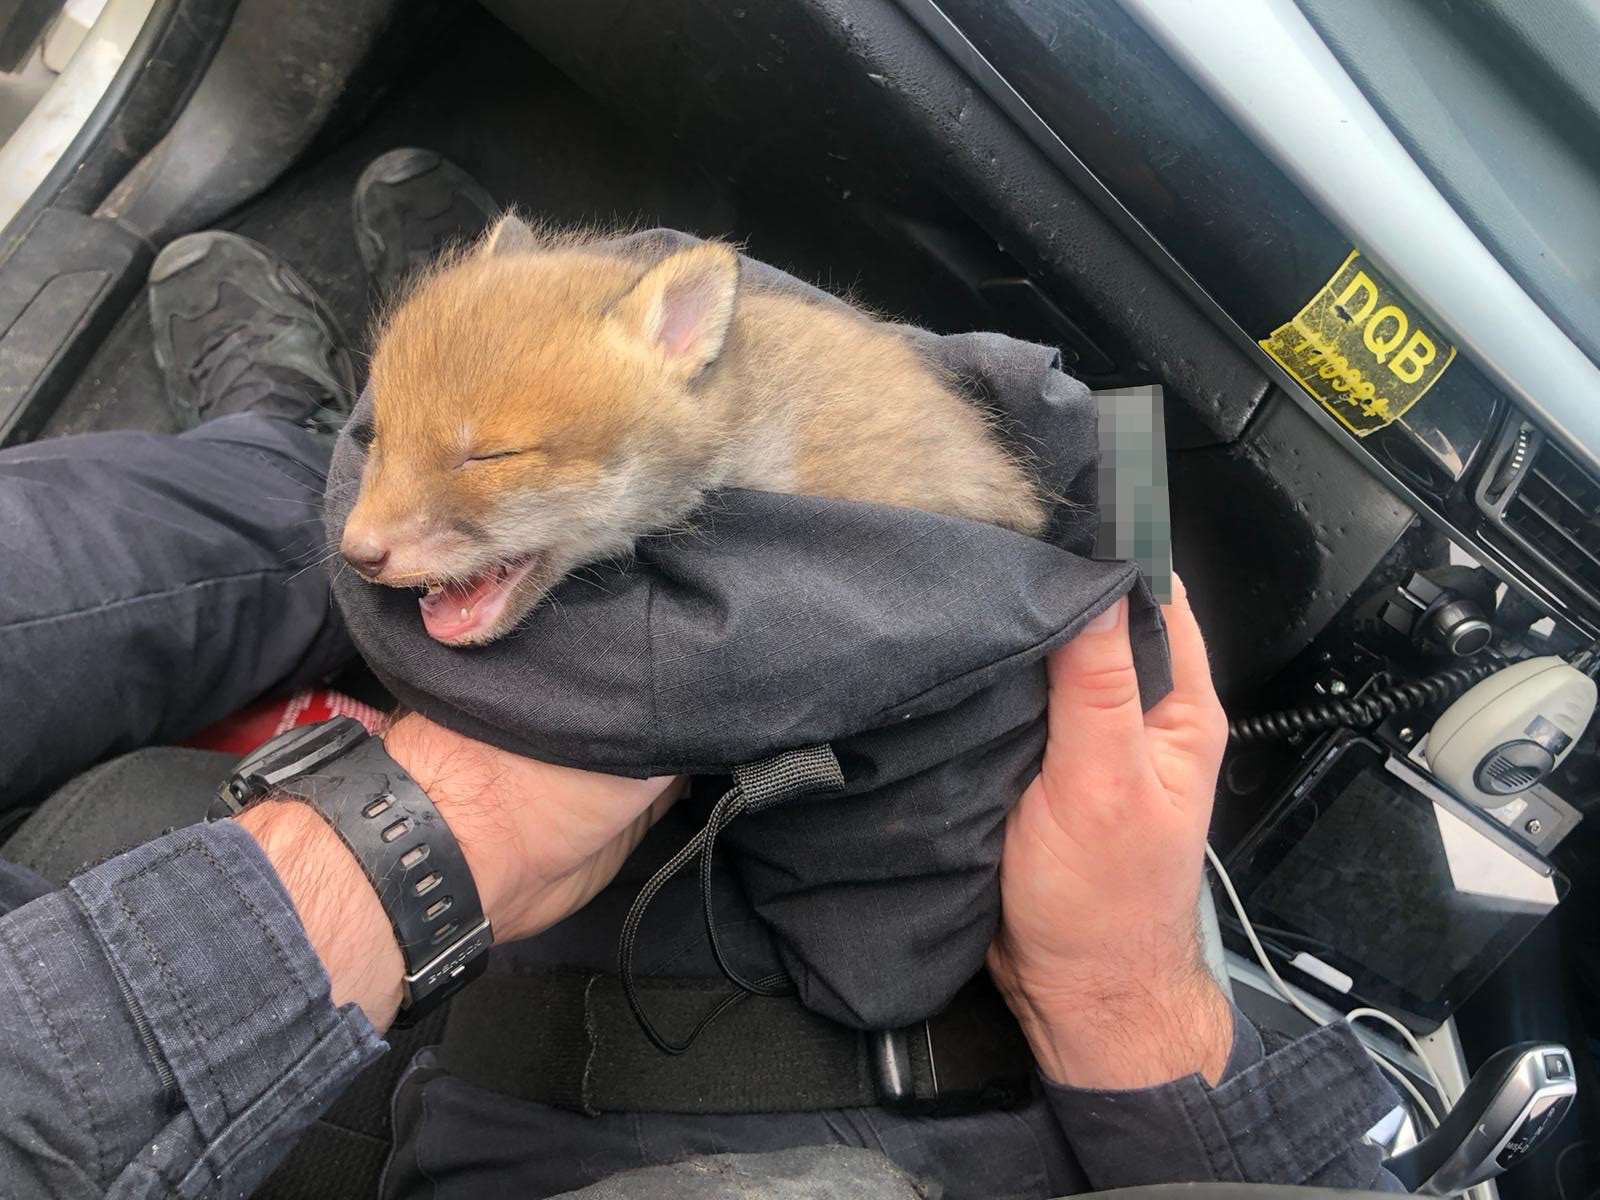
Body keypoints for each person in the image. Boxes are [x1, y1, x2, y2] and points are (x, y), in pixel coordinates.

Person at [0, 152, 1402, 1199]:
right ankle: (397, 398)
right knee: (338, 523)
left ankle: (289, 437)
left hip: (624, 1067)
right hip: (1130, 1060)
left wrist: (442, 830)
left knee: (274, 519)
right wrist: (1134, 1005)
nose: (375, 536)